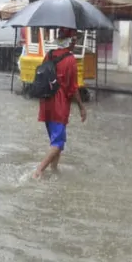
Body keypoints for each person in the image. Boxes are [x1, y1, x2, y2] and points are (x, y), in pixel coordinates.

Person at [34, 28, 86, 179]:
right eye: (75, 39)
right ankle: (39, 171)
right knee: (58, 143)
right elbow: (73, 88)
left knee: (55, 141)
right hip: (59, 105)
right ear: (71, 42)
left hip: (45, 104)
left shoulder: (49, 55)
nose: (76, 41)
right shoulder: (70, 60)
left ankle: (54, 170)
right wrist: (82, 107)